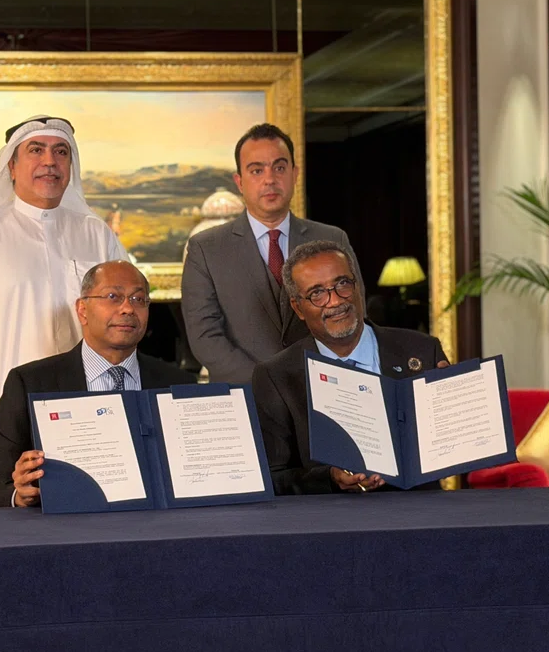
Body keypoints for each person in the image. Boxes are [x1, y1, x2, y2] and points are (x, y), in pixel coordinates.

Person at [0, 115, 128, 509]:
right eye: (35, 150)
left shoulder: (96, 234)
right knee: (5, 531)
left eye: (60, 152)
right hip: (2, 415)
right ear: (11, 165)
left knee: (90, 521)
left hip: (90, 411)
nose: (49, 161)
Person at [0, 260, 196, 508]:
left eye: (139, 300)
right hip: (68, 533)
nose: (128, 308)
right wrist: (20, 494)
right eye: (113, 296)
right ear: (82, 310)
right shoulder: (30, 383)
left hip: (158, 529)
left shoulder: (177, 383)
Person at [252, 240, 449, 496]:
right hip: (330, 525)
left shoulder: (422, 350)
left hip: (421, 512)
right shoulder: (276, 376)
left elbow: (449, 452)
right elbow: (274, 477)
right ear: (298, 308)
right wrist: (330, 478)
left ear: (357, 287)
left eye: (342, 284)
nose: (334, 301)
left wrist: (450, 409)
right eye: (317, 293)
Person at [182, 123, 362, 384]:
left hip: (325, 389)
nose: (270, 179)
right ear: (239, 182)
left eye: (279, 168)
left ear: (294, 174)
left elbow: (354, 315)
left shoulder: (332, 239)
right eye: (257, 170)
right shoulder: (206, 248)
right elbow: (204, 336)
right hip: (245, 396)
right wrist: (266, 384)